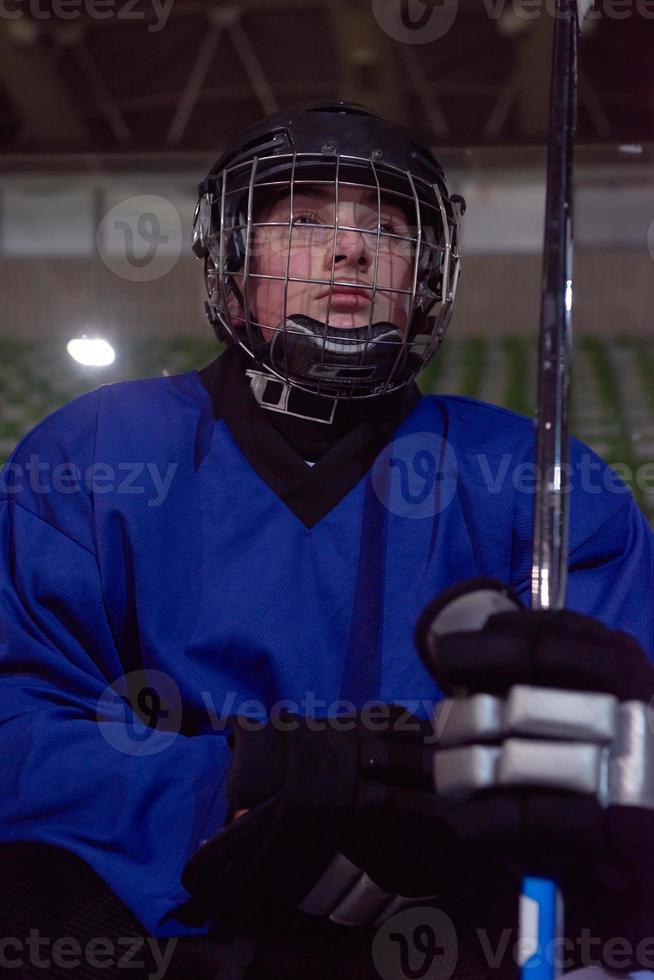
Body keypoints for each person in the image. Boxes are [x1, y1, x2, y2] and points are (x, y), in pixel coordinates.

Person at [0, 100, 653, 980]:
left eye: (386, 226)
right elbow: (19, 729)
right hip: (166, 935)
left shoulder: (542, 484)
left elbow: (623, 749)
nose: (350, 250)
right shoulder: (89, 458)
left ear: (427, 272)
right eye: (305, 219)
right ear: (234, 262)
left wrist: (537, 794)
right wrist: (236, 784)